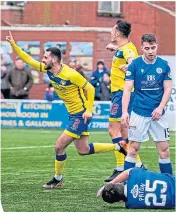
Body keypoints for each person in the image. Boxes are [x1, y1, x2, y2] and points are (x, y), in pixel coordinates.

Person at [6, 31, 127, 189]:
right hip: (73, 114)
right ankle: (120, 146)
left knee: (58, 146)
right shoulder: (48, 69)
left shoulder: (70, 73)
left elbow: (90, 88)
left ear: (54, 59)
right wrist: (13, 44)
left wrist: (88, 110)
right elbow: (27, 59)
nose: (42, 60)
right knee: (83, 150)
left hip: (80, 114)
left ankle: (57, 179)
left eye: (45, 57)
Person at [121, 34, 173, 174]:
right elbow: (127, 89)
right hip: (139, 112)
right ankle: (128, 184)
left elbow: (168, 89)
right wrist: (125, 111)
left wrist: (160, 107)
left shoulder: (163, 65)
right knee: (133, 149)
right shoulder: (135, 65)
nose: (151, 51)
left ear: (157, 46)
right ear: (142, 48)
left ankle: (169, 183)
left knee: (164, 150)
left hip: (157, 114)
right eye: (147, 48)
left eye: (153, 48)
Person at [104, 20, 143, 182]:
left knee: (113, 131)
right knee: (124, 131)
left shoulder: (128, 49)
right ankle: (129, 165)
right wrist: (115, 48)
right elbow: (127, 52)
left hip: (122, 94)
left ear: (118, 33)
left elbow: (132, 58)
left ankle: (129, 165)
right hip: (120, 93)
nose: (111, 33)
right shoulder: (123, 48)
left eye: (113, 30)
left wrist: (131, 65)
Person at [97, 167, 175, 209]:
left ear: (120, 201)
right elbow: (128, 171)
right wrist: (110, 183)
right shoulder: (135, 175)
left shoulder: (131, 204)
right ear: (118, 183)